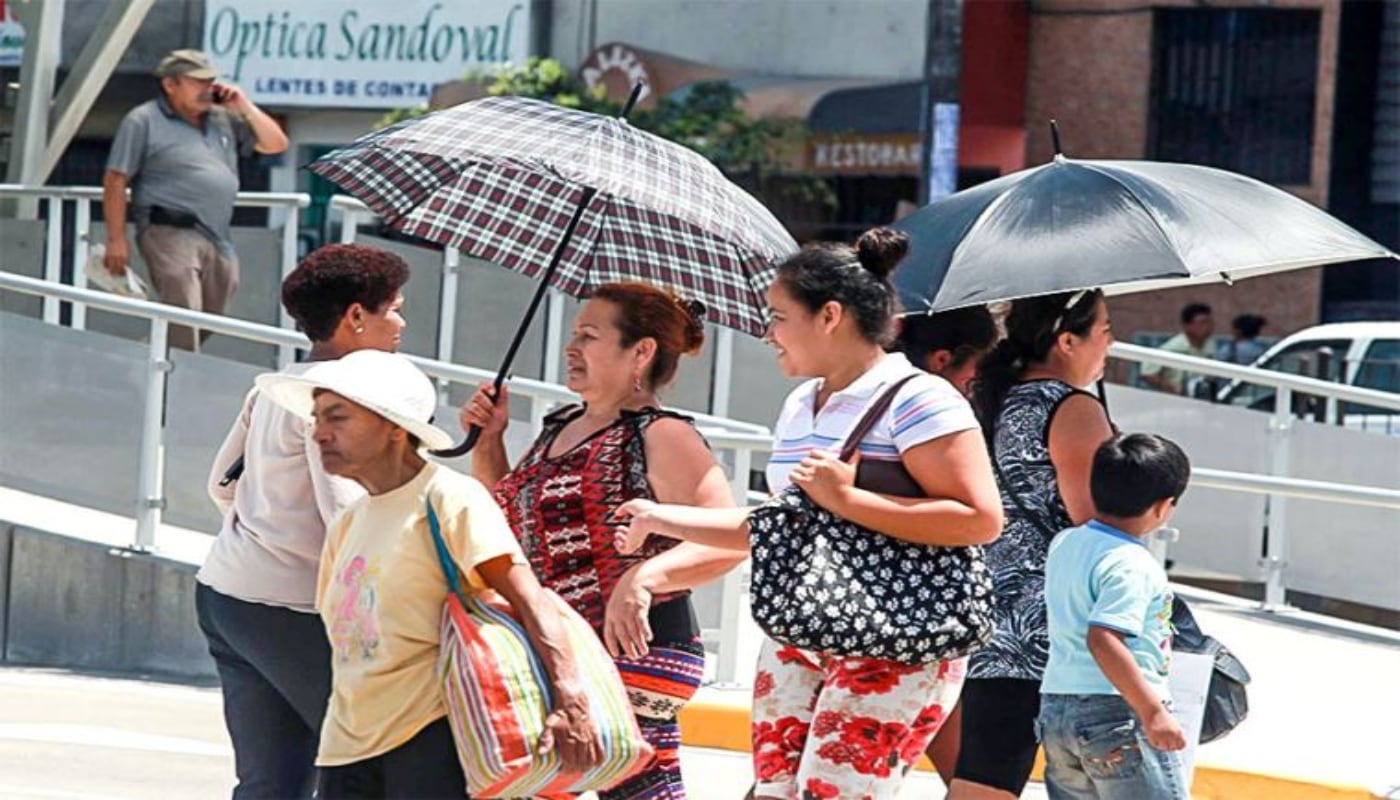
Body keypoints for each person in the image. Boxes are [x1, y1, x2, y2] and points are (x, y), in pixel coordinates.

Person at [613, 229, 1004, 800]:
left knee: (833, 793)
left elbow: (979, 518)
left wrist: (849, 500)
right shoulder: (801, 403)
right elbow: (783, 523)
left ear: (829, 316)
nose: (767, 334)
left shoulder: (920, 398)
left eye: (777, 317)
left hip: (897, 637)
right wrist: (660, 518)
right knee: (773, 792)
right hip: (801, 629)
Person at [256, 350, 603, 798]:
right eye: (317, 418)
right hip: (346, 746)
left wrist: (570, 698)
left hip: (429, 739)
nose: (320, 433)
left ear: (394, 427)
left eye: (338, 417)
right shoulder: (348, 521)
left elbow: (528, 598)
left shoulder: (450, 498)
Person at [460, 282, 744, 799]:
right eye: (574, 335)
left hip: (635, 645)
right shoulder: (560, 427)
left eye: (589, 336)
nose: (572, 349)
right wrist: (489, 442)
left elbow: (730, 537)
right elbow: (505, 521)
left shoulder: (661, 435)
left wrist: (643, 576)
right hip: (566, 646)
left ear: (641, 351)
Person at [201, 244, 409, 799]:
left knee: (271, 781)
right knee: (368, 766)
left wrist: (269, 536)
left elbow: (221, 482)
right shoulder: (343, 399)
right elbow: (348, 517)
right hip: (293, 613)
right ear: (356, 317)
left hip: (227, 597)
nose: (401, 323)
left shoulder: (277, 385)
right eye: (392, 309)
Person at [954, 289, 1116, 800]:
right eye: (1106, 330)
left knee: (985, 774)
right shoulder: (1072, 409)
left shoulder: (992, 396)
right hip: (1053, 625)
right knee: (1096, 778)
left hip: (990, 614)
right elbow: (1096, 523)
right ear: (1068, 341)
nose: (1112, 343)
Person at [103, 49, 289, 351]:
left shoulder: (223, 119)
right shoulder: (143, 119)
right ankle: (176, 385)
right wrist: (116, 239)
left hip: (217, 234)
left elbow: (276, 143)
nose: (208, 89)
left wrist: (244, 105)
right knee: (182, 306)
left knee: (211, 315)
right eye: (198, 82)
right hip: (168, 227)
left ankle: (149, 357)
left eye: (211, 81)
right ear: (170, 84)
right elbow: (115, 178)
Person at [1039, 433, 1191, 799]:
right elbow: (1103, 638)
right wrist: (1152, 712)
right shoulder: (1132, 564)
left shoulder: (1065, 543)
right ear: (1162, 507)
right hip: (1117, 711)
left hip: (1057, 706)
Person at [890, 304, 1000, 783]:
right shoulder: (931, 415)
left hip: (885, 619)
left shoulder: (861, 397)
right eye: (976, 367)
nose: (980, 379)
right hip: (912, 620)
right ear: (941, 360)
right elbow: (979, 519)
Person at [893, 305, 1000, 396]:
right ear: (941, 360)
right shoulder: (940, 413)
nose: (981, 376)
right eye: (979, 365)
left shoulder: (884, 390)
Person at [1141, 302, 1214, 396]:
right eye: (1203, 323)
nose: (1208, 327)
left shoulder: (1210, 346)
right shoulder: (1174, 347)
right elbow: (1147, 373)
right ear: (1187, 325)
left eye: (1210, 322)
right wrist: (1171, 387)